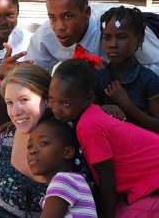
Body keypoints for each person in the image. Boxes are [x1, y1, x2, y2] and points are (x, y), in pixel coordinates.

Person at [48, 58, 159, 218]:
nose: (56, 109)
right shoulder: (90, 114)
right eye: (51, 99)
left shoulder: (89, 125)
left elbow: (107, 179)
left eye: (65, 104)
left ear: (88, 99)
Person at [0, 63, 52, 217]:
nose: (15, 112)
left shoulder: (67, 147)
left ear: (47, 99)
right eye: (9, 103)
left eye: (24, 100)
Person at [25, 0, 159, 75]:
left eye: (67, 16)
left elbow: (155, 64)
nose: (59, 27)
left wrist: (124, 84)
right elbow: (33, 81)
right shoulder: (44, 36)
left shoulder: (119, 24)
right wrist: (8, 74)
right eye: (52, 17)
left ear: (86, 13)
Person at [95, 6, 159, 133]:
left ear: (139, 40)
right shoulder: (98, 78)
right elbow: (86, 117)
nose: (113, 44)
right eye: (107, 37)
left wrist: (127, 105)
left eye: (121, 37)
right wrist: (101, 109)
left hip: (143, 147)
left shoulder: (149, 80)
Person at [27, 119, 97, 218]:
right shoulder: (73, 180)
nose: (32, 150)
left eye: (43, 143)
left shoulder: (63, 180)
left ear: (68, 153)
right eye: (29, 146)